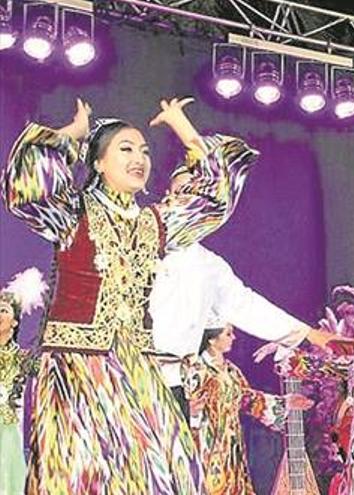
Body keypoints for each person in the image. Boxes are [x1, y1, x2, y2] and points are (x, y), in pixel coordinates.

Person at [2, 96, 258, 492]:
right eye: (125, 149)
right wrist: (75, 135)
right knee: (77, 477)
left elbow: (213, 199)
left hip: (138, 369)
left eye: (144, 151)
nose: (139, 158)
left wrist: (182, 126)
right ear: (99, 163)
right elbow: (27, 185)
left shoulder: (155, 222)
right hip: (77, 372)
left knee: (163, 467)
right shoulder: (72, 214)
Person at [150, 167, 333, 420]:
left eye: (195, 195)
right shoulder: (139, 240)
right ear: (166, 197)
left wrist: (306, 334)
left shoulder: (208, 265)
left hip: (178, 385)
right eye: (181, 193)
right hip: (132, 376)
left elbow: (245, 305)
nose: (186, 202)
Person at [182, 324, 313, 495]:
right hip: (206, 445)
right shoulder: (196, 370)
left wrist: (285, 402)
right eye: (228, 334)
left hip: (232, 447)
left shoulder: (231, 371)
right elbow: (183, 405)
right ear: (212, 340)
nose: (234, 338)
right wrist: (189, 412)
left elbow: (249, 399)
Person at [0, 268, 47, 495]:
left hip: (7, 434)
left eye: (3, 311)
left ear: (15, 322)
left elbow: (45, 375)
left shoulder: (23, 358)